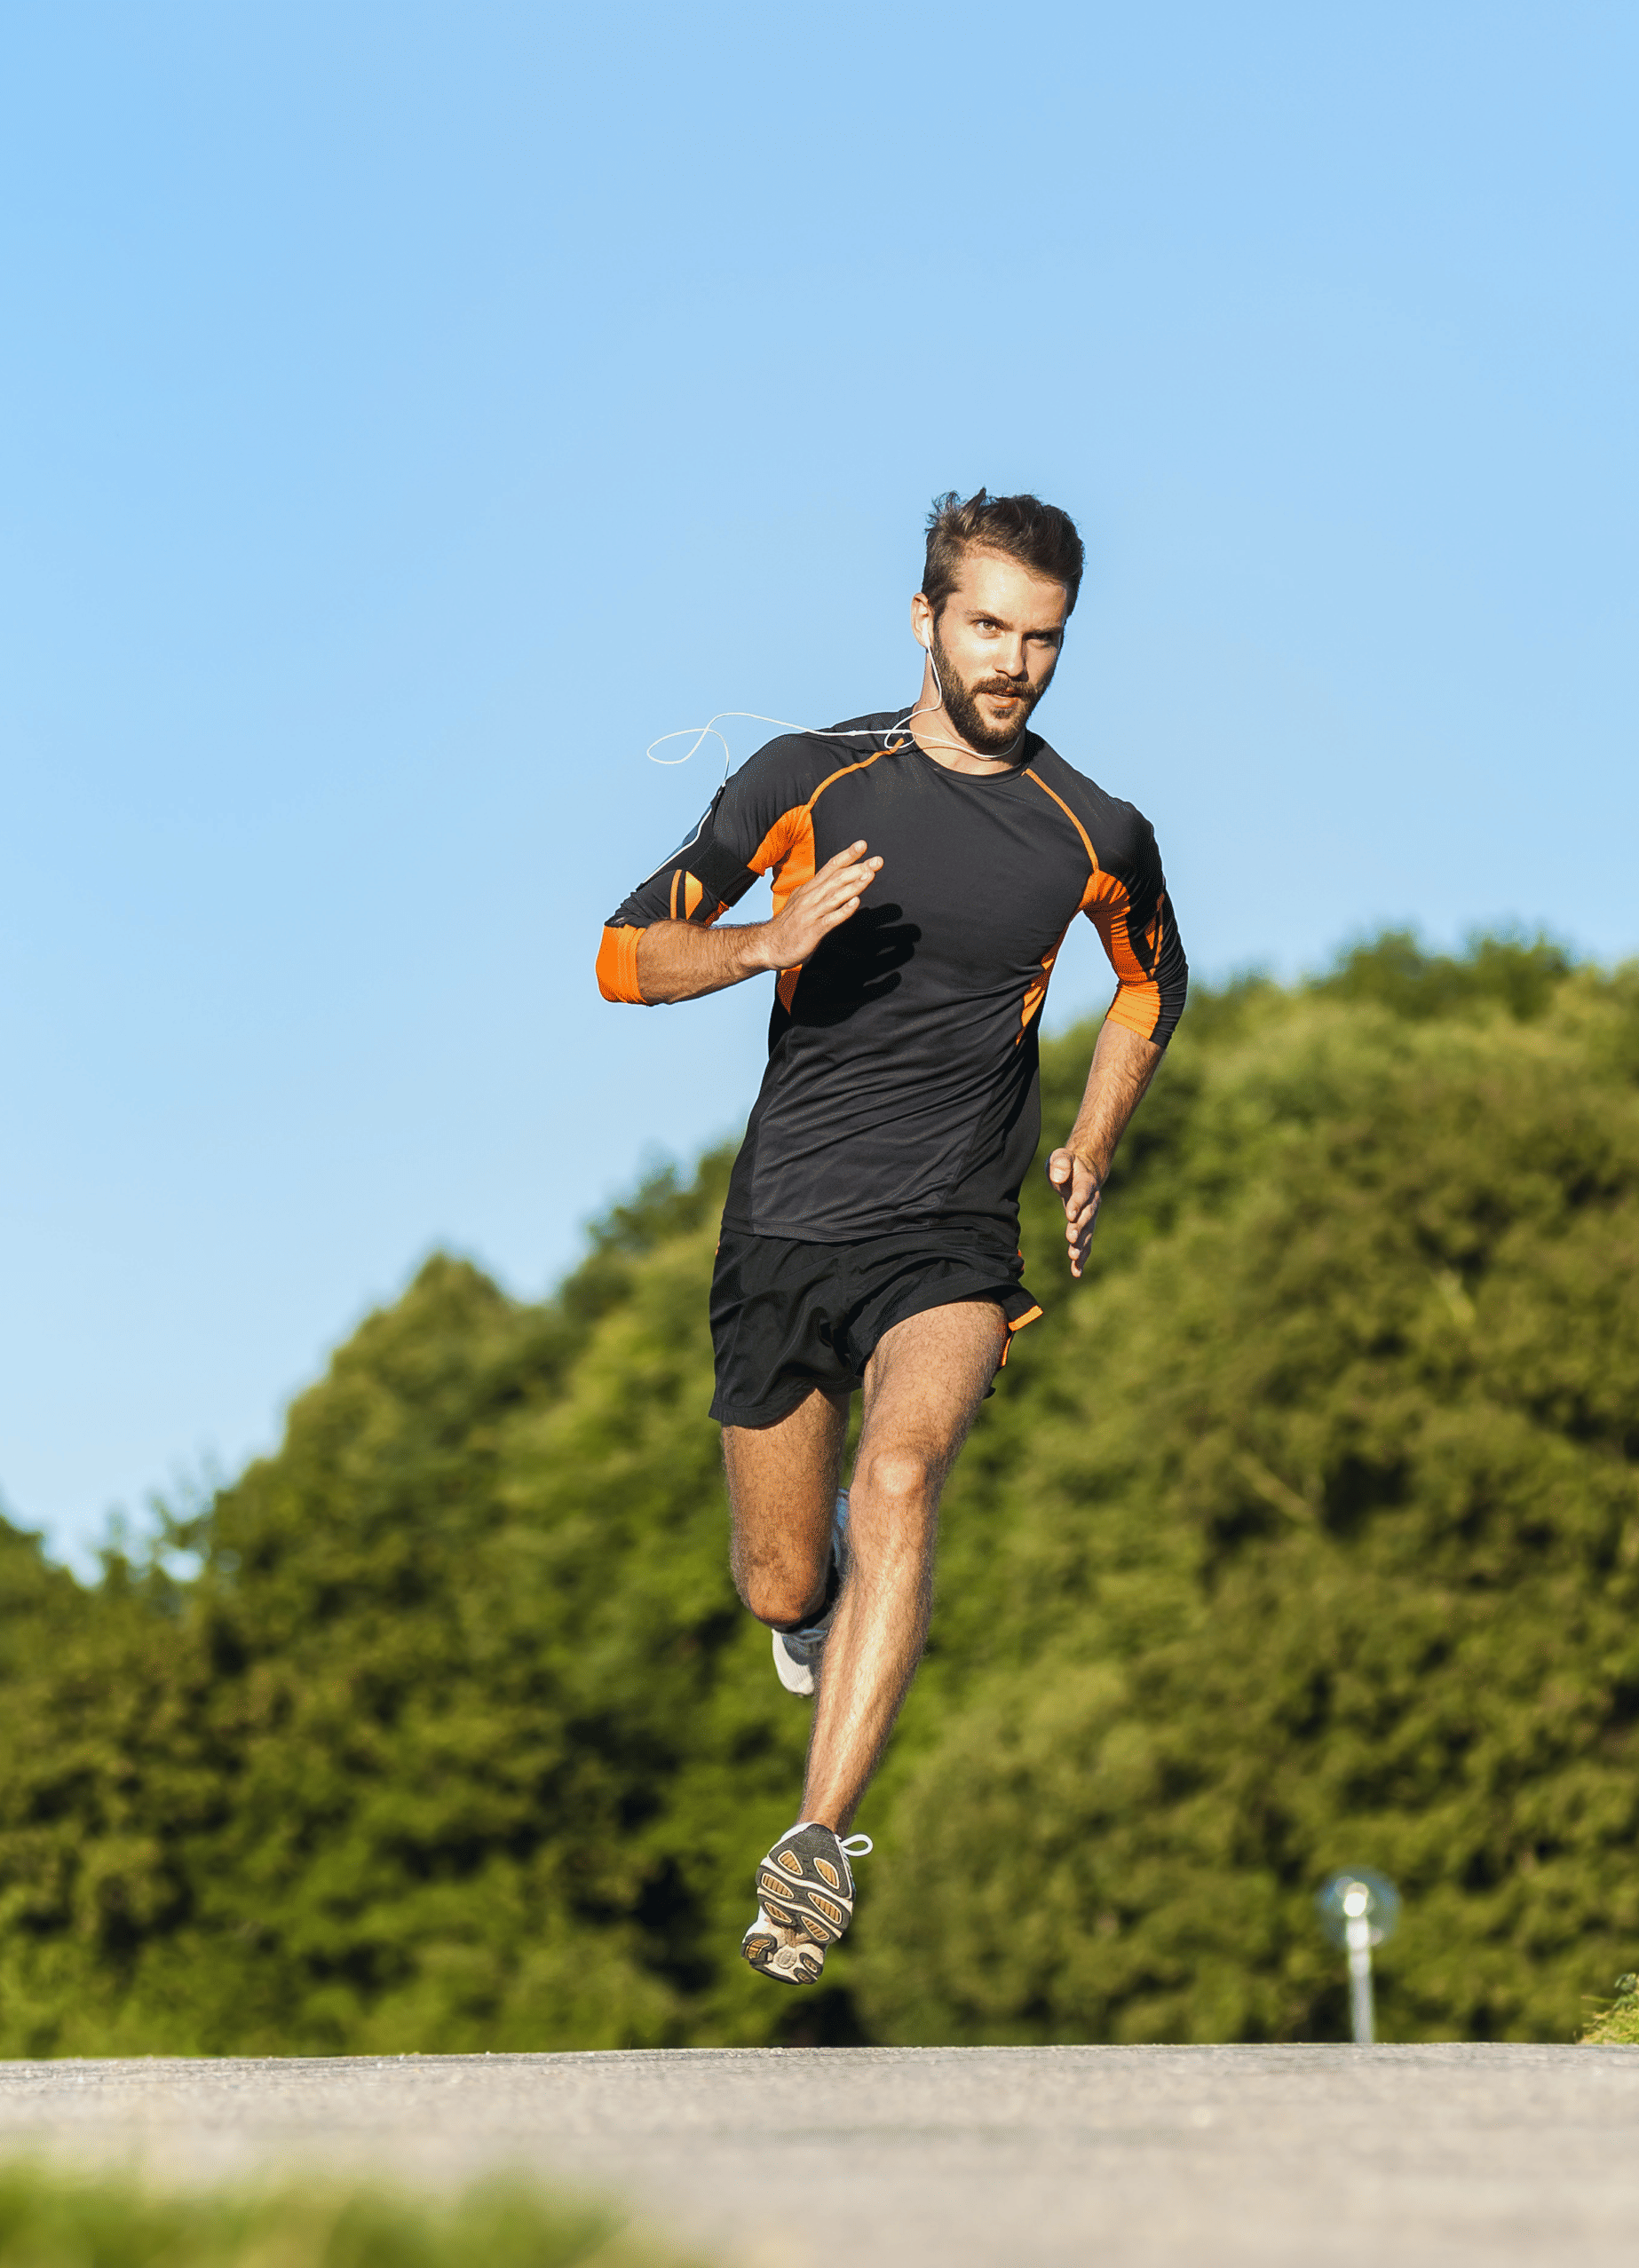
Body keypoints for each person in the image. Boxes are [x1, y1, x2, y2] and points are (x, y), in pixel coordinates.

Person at [594, 491, 1187, 1986]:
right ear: (925, 619)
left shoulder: (1095, 832)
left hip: (952, 1230)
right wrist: (761, 945)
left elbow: (1149, 988)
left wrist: (1092, 1138)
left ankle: (813, 1846)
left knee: (905, 1472)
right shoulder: (809, 779)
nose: (1017, 664)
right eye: (989, 626)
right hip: (787, 1224)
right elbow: (621, 952)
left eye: (1044, 638)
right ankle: (818, 1610)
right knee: (783, 1578)